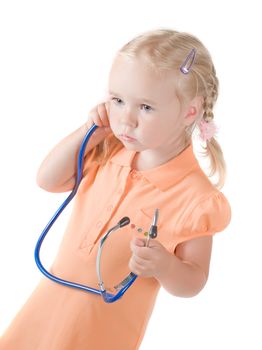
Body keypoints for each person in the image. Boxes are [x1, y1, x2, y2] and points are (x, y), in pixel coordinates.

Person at [0, 28, 231, 350]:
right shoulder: (108, 149)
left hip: (102, 330)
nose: (126, 120)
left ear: (190, 111)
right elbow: (47, 180)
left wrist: (166, 266)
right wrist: (88, 131)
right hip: (46, 311)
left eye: (146, 107)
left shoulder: (196, 197)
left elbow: (193, 282)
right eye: (117, 101)